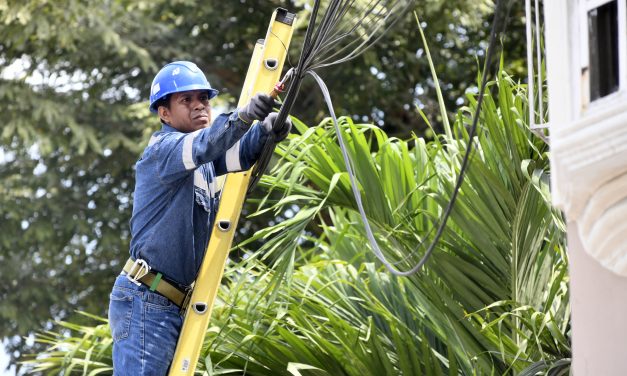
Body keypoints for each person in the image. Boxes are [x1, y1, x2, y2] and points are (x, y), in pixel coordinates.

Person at [107, 61, 291, 375]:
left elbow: (237, 154)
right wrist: (245, 115)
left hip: (167, 304)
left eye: (203, 99)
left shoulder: (201, 163)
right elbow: (207, 144)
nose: (198, 106)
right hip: (145, 302)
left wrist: (265, 130)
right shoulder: (163, 150)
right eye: (186, 100)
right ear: (163, 113)